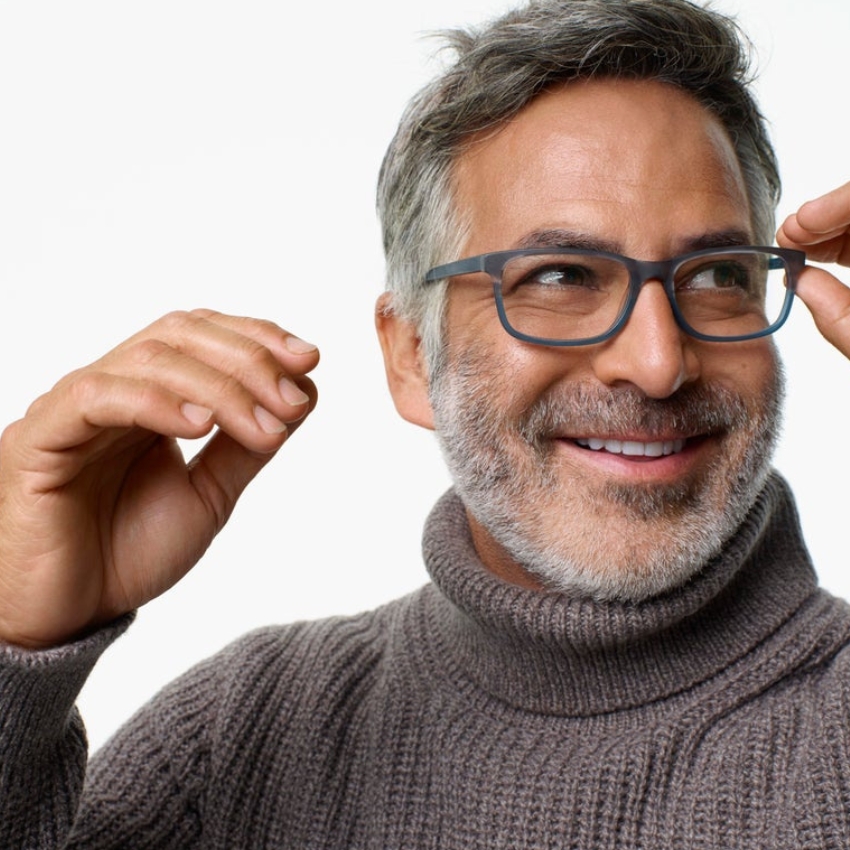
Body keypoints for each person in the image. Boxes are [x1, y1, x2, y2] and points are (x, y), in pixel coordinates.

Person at [2, 0, 850, 846]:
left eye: (716, 275)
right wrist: (14, 648)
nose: (659, 363)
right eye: (558, 277)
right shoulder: (236, 741)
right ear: (412, 355)